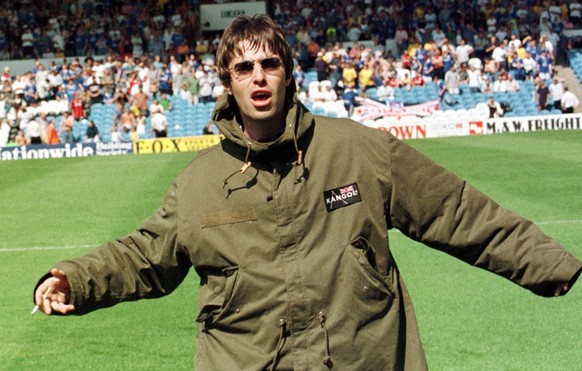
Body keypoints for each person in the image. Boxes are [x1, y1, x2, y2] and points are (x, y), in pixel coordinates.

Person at [33, 14, 582, 371]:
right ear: (228, 82)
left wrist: (548, 264)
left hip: (358, 358)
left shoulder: (360, 152)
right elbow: (143, 254)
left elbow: (458, 211)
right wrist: (73, 278)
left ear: (288, 74)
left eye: (270, 64)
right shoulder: (199, 182)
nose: (259, 78)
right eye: (244, 68)